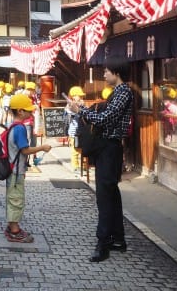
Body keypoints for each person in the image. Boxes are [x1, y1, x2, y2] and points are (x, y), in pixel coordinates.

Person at [68, 59, 133, 262]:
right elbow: (105, 114)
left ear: (116, 72)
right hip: (109, 147)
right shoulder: (120, 92)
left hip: (110, 147)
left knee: (105, 196)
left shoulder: (123, 92)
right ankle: (118, 238)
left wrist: (81, 111)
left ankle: (103, 243)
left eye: (106, 71)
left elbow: (106, 118)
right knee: (111, 194)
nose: (104, 75)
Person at [4, 94, 52, 243]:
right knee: (16, 199)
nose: (31, 113)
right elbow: (24, 150)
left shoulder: (12, 126)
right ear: (20, 111)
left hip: (13, 169)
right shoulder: (19, 129)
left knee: (13, 197)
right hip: (15, 170)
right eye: (28, 111)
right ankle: (14, 230)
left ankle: (12, 225)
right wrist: (42, 147)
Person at [65, 85, 86, 175]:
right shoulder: (69, 105)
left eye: (81, 96)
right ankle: (75, 166)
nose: (81, 98)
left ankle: (84, 166)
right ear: (73, 96)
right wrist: (75, 105)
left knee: (83, 149)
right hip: (74, 133)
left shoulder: (82, 104)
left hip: (82, 131)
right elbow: (70, 111)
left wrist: (82, 105)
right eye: (79, 96)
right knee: (75, 150)